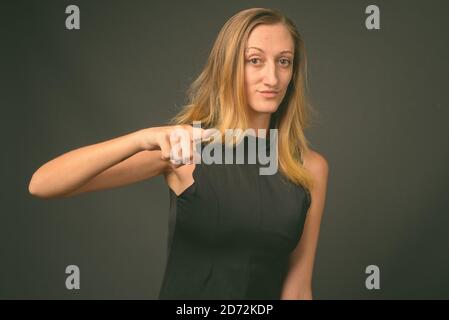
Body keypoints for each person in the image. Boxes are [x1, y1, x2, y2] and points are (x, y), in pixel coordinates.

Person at [28, 7, 328, 300]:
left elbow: (298, 289)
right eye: (255, 60)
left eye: (284, 61)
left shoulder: (309, 167)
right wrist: (141, 138)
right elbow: (42, 184)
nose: (272, 78)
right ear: (227, 68)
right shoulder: (185, 148)